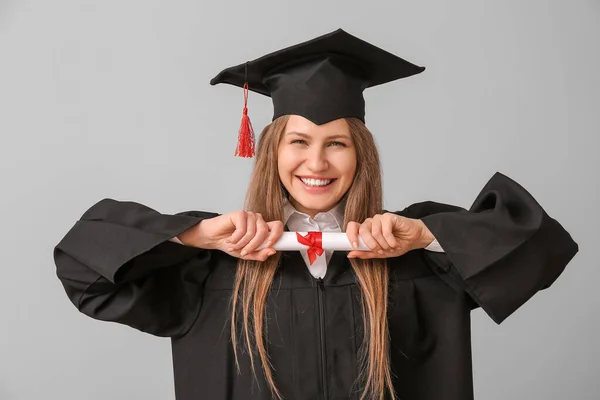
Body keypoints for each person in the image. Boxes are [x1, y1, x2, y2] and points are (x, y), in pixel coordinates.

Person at [54, 29, 579, 400]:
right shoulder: (213, 263)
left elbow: (545, 246)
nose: (317, 162)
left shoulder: (418, 254)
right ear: (271, 152)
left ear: (362, 155)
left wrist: (427, 235)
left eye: (338, 144)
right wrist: (193, 236)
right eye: (299, 141)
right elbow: (85, 268)